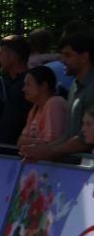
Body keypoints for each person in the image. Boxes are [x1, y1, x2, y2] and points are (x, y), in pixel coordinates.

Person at [21, 30, 94, 162]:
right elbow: (68, 135)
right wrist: (42, 150)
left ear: (84, 57)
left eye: (68, 55)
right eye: (62, 55)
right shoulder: (74, 85)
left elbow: (85, 140)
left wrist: (49, 151)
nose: (62, 61)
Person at [17, 66, 68, 148]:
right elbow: (20, 141)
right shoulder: (35, 108)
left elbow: (51, 143)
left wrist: (28, 141)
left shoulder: (54, 103)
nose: (23, 89)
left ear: (44, 86)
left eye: (28, 84)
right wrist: (38, 141)